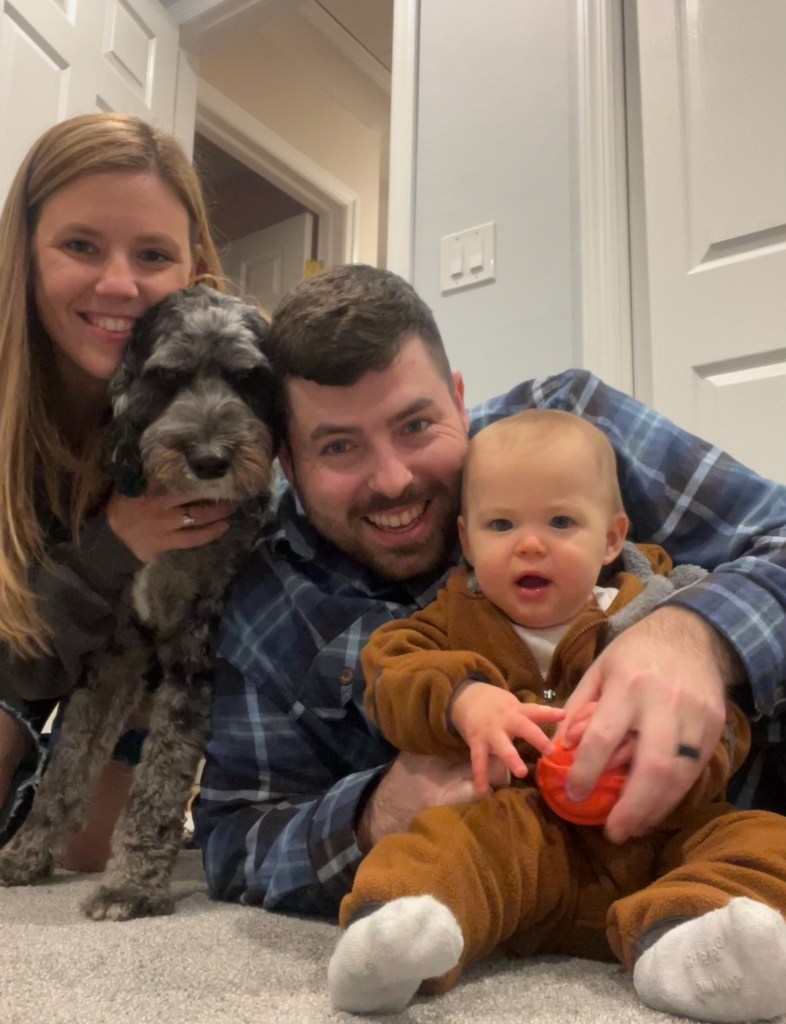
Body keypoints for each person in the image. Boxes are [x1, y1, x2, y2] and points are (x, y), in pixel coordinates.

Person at [194, 262, 786, 922]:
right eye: (338, 447)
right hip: (496, 890)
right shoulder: (264, 603)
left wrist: (696, 636)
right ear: (287, 463)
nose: (392, 480)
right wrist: (376, 814)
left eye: (417, 426)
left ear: (457, 398)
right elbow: (232, 838)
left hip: (738, 836)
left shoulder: (573, 428)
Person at [326, 409, 786, 1022]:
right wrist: (464, 699)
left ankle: (693, 944)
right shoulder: (452, 618)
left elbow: (723, 722)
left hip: (656, 827)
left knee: (761, 837)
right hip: (519, 830)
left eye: (561, 521)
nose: (530, 542)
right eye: (501, 524)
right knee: (442, 843)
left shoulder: (656, 610)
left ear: (611, 538)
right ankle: (398, 939)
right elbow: (389, 673)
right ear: (466, 541)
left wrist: (682, 752)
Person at [0, 112, 238, 870]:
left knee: (89, 863)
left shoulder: (224, 390)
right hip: (17, 668)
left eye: (153, 254)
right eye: (80, 246)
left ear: (193, 266)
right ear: (26, 254)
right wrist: (116, 543)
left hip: (127, 679)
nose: (119, 284)